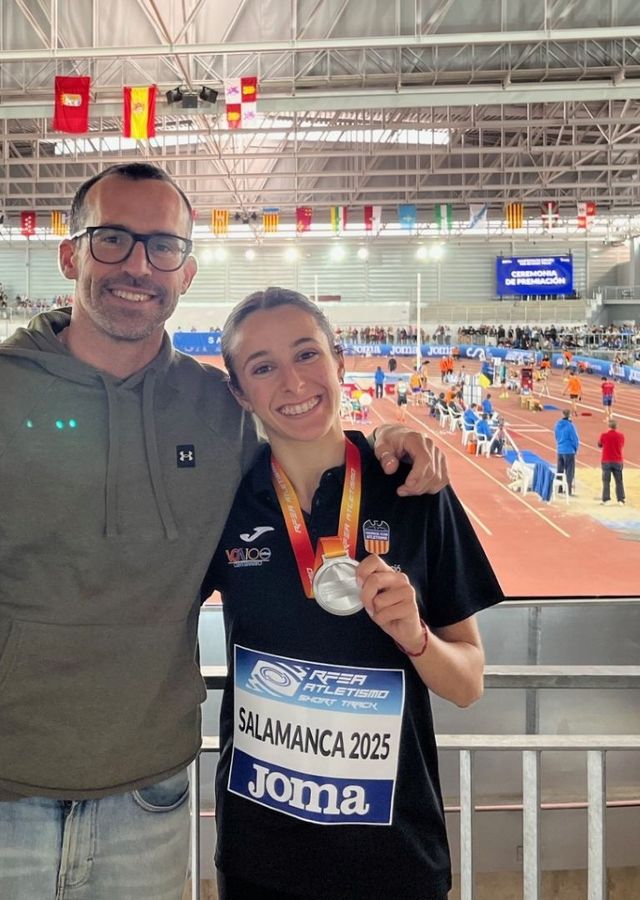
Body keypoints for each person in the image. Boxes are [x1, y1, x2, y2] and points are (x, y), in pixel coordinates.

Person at [0, 162, 445, 900]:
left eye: (162, 247)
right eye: (113, 239)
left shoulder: (222, 413)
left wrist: (392, 437)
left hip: (149, 805)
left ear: (187, 271)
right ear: (71, 255)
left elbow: (309, 446)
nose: (138, 265)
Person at [205, 288, 502, 900]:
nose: (292, 382)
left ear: (340, 361)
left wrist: (416, 638)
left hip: (393, 858)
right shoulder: (224, 500)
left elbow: (468, 682)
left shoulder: (413, 486)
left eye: (307, 354)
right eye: (262, 367)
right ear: (239, 392)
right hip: (261, 856)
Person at [599, 418, 626, 505]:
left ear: (609, 426)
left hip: (606, 460)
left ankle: (606, 499)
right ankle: (620, 499)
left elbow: (600, 444)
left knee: (606, 480)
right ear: (616, 426)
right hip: (617, 460)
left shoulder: (604, 435)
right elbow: (622, 445)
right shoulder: (621, 436)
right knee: (619, 481)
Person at [555, 409, 580, 497]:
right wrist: (576, 448)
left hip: (560, 450)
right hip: (569, 451)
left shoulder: (557, 425)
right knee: (569, 471)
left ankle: (560, 488)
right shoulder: (570, 426)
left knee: (560, 470)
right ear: (569, 415)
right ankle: (568, 490)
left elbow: (556, 436)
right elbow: (574, 439)